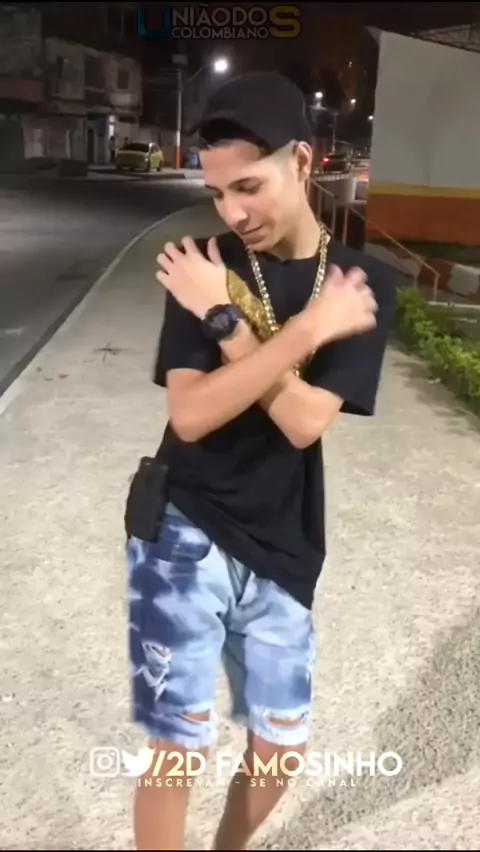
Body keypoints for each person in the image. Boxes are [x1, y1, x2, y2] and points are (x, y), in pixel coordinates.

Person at [125, 71, 396, 851]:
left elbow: (306, 423)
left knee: (281, 748)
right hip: (182, 528)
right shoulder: (199, 265)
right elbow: (191, 413)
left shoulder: (358, 284)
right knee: (177, 748)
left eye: (248, 186)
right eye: (217, 193)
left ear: (301, 161)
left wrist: (229, 326)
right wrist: (303, 332)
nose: (233, 213)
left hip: (284, 538)